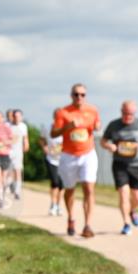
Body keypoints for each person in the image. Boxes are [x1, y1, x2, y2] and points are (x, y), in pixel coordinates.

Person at [51, 83, 100, 238]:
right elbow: (53, 133)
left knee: (89, 188)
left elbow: (96, 125)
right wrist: (68, 127)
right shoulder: (63, 112)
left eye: (82, 94)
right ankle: (71, 218)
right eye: (76, 94)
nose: (79, 97)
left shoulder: (93, 110)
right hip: (69, 155)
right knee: (70, 189)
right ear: (71, 95)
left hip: (88, 154)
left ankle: (88, 225)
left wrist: (98, 126)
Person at [100, 100, 138, 235]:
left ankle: (132, 211)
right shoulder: (114, 125)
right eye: (125, 113)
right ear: (121, 112)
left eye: (131, 114)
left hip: (137, 165)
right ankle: (126, 224)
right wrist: (109, 146)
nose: (128, 116)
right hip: (119, 164)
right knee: (124, 194)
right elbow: (103, 141)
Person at [38, 123, 64, 216]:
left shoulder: (66, 129)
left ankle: (58, 205)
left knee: (61, 184)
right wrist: (45, 147)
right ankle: (53, 205)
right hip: (51, 160)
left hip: (63, 160)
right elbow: (41, 140)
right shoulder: (47, 128)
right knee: (55, 182)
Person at [8, 109, 29, 199]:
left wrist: (26, 145)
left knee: (18, 171)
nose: (17, 118)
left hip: (18, 152)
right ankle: (11, 184)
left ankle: (17, 191)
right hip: (8, 152)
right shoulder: (8, 126)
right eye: (15, 116)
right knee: (9, 171)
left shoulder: (23, 126)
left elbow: (25, 138)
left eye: (18, 116)